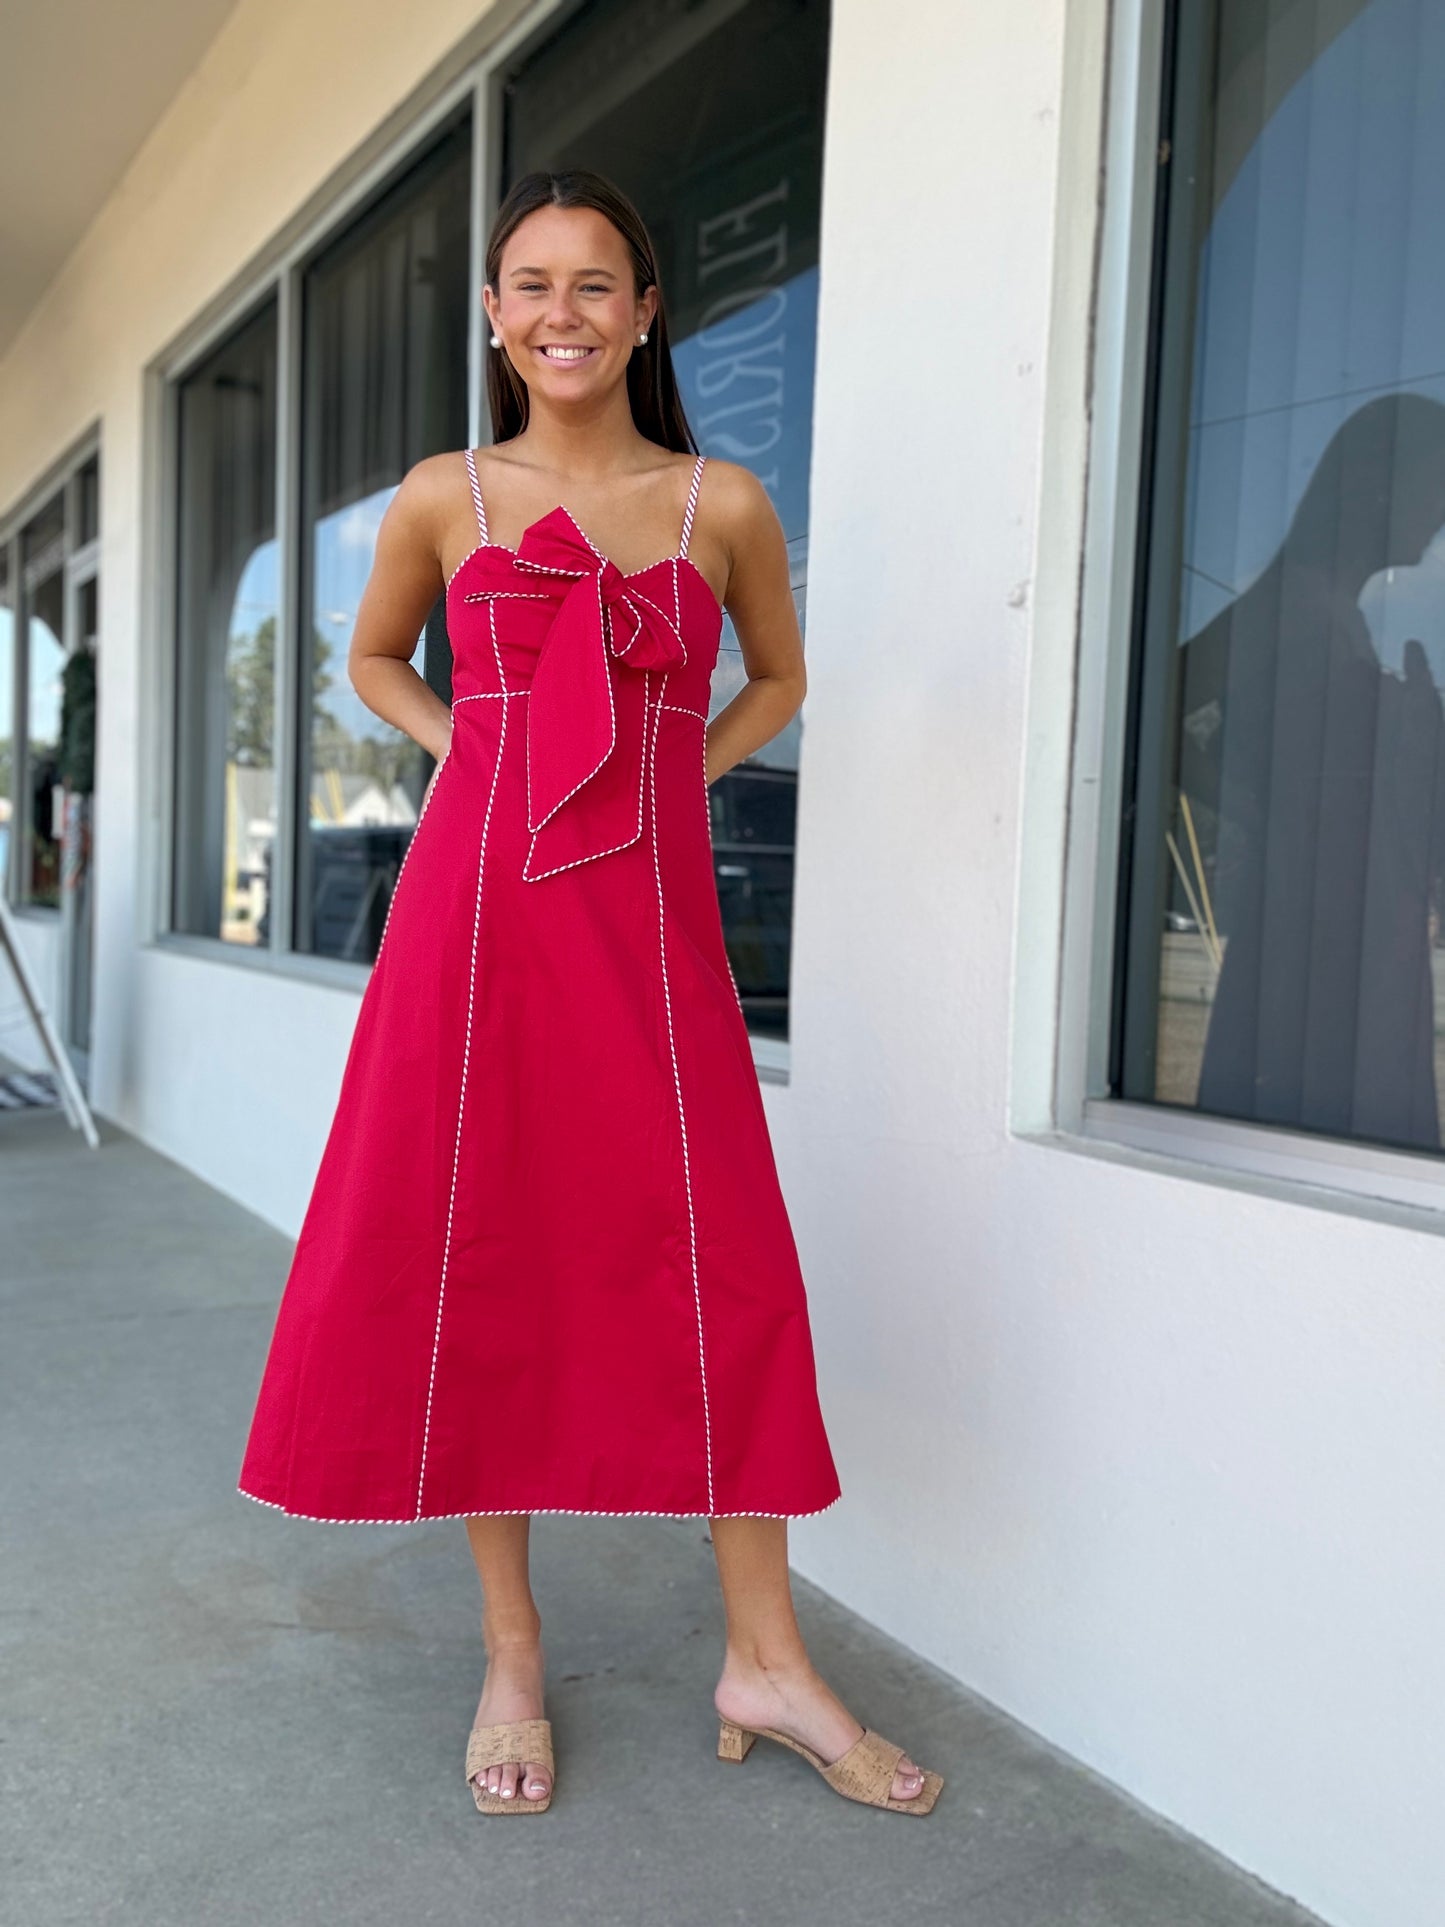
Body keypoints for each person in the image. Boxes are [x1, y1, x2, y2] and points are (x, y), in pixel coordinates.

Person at [237, 168, 942, 1820]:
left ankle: (764, 1659)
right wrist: (469, 754)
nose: (560, 312)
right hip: (472, 930)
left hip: (650, 924)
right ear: (494, 315)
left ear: (645, 312)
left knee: (724, 1267)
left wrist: (672, 770)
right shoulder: (440, 496)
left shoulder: (725, 506)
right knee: (486, 1253)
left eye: (593, 283)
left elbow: (780, 674)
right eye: (528, 284)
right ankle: (508, 1652)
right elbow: (373, 663)